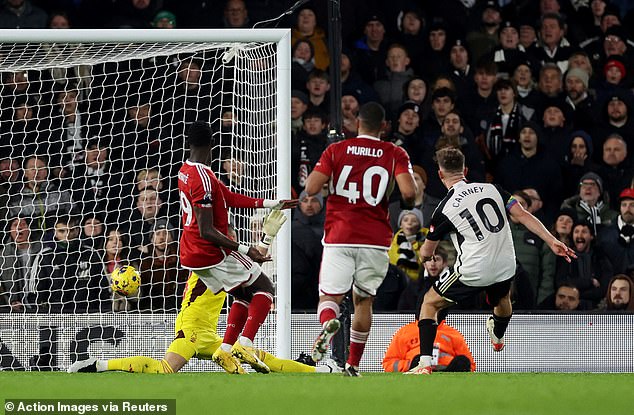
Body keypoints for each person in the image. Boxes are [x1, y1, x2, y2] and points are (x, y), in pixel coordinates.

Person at [67, 210, 340, 375]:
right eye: (226, 235)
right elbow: (250, 270)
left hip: (208, 331)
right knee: (164, 369)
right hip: (193, 326)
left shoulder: (225, 259)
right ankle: (98, 365)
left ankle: (321, 370)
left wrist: (265, 238)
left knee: (261, 358)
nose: (229, 238)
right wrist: (263, 240)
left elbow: (247, 266)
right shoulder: (210, 259)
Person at [407, 147, 576, 375]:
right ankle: (497, 334)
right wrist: (552, 240)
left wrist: (422, 254)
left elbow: (427, 252)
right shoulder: (494, 189)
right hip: (507, 265)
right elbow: (523, 216)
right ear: (465, 170)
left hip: (475, 268)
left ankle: (425, 363)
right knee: (503, 298)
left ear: (440, 175)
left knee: (430, 302)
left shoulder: (445, 208)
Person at [305, 101, 417, 376]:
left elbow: (310, 187)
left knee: (329, 297)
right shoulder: (394, 152)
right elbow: (410, 194)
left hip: (340, 234)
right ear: (383, 127)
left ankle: (328, 324)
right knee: (363, 301)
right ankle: (353, 364)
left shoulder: (336, 149)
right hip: (375, 238)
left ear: (357, 123)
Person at [176, 121, 297, 375]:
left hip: (190, 254)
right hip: (210, 252)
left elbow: (229, 197)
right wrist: (245, 249)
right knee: (265, 287)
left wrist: (271, 203)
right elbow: (206, 230)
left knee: (243, 294)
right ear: (212, 144)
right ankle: (245, 344)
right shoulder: (203, 180)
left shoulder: (186, 171)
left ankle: (227, 349)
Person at [382, 319, 475, 373]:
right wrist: (410, 365)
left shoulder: (453, 333)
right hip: (415, 376)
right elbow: (389, 364)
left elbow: (469, 365)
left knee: (462, 361)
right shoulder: (405, 332)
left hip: (448, 372)